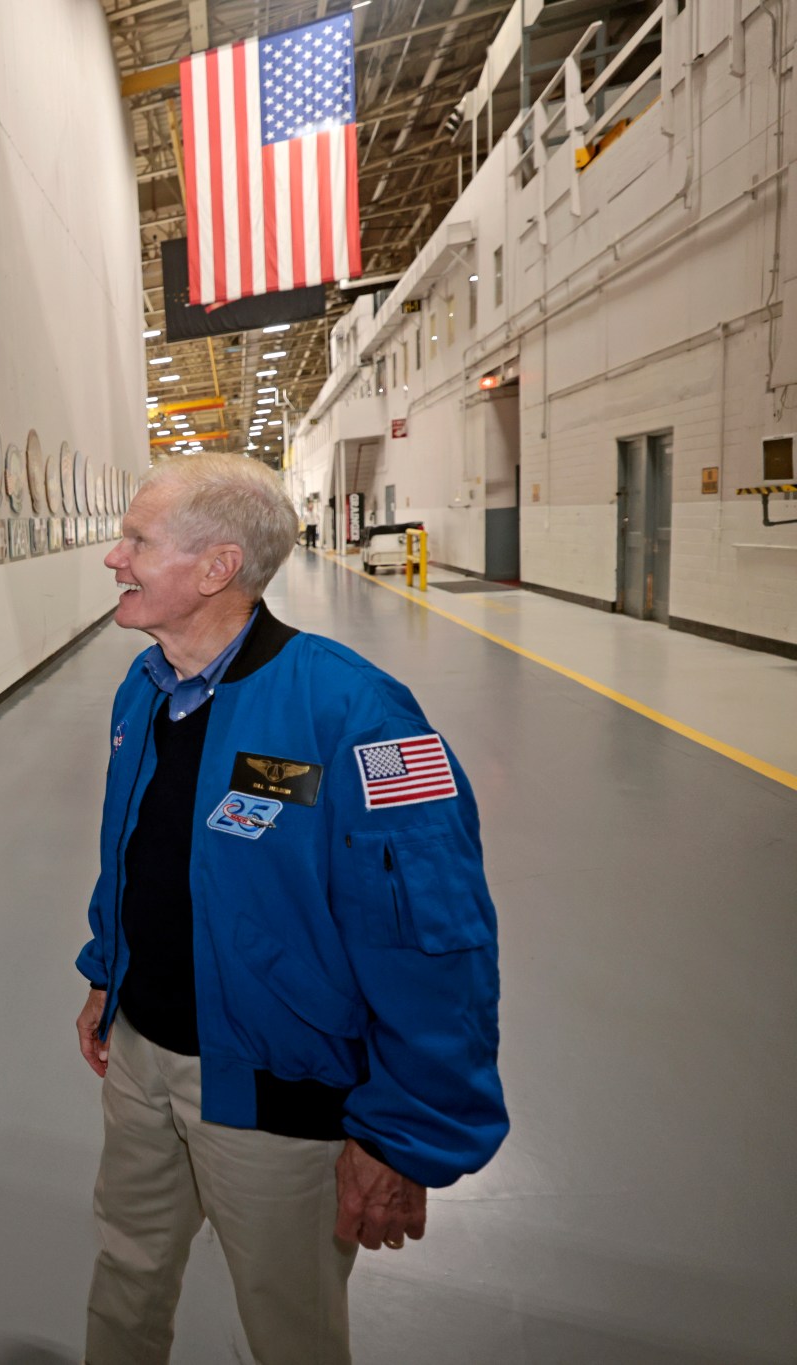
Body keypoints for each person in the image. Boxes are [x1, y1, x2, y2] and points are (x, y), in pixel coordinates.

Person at [73, 454, 506, 1365]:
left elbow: (435, 936)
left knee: (288, 1324)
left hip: (274, 1097)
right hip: (141, 1057)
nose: (115, 558)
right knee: (126, 1266)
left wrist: (405, 1134)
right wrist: (105, 974)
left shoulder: (362, 715)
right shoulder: (143, 690)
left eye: (138, 541)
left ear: (217, 567)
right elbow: (136, 859)